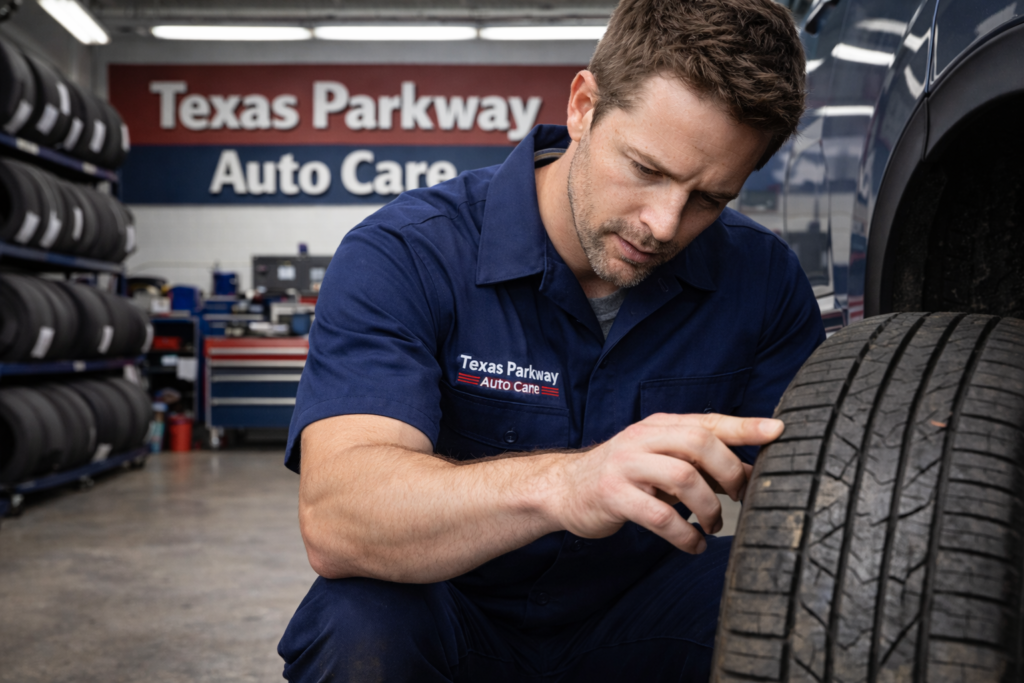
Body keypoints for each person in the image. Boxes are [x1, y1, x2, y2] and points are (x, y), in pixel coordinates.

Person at [279, 0, 823, 679]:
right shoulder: (405, 254)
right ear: (582, 105)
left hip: (645, 614)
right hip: (453, 612)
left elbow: (824, 505)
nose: (663, 223)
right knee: (359, 619)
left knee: (807, 605)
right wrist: (568, 486)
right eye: (646, 169)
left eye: (710, 197)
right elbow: (340, 516)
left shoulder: (763, 281)